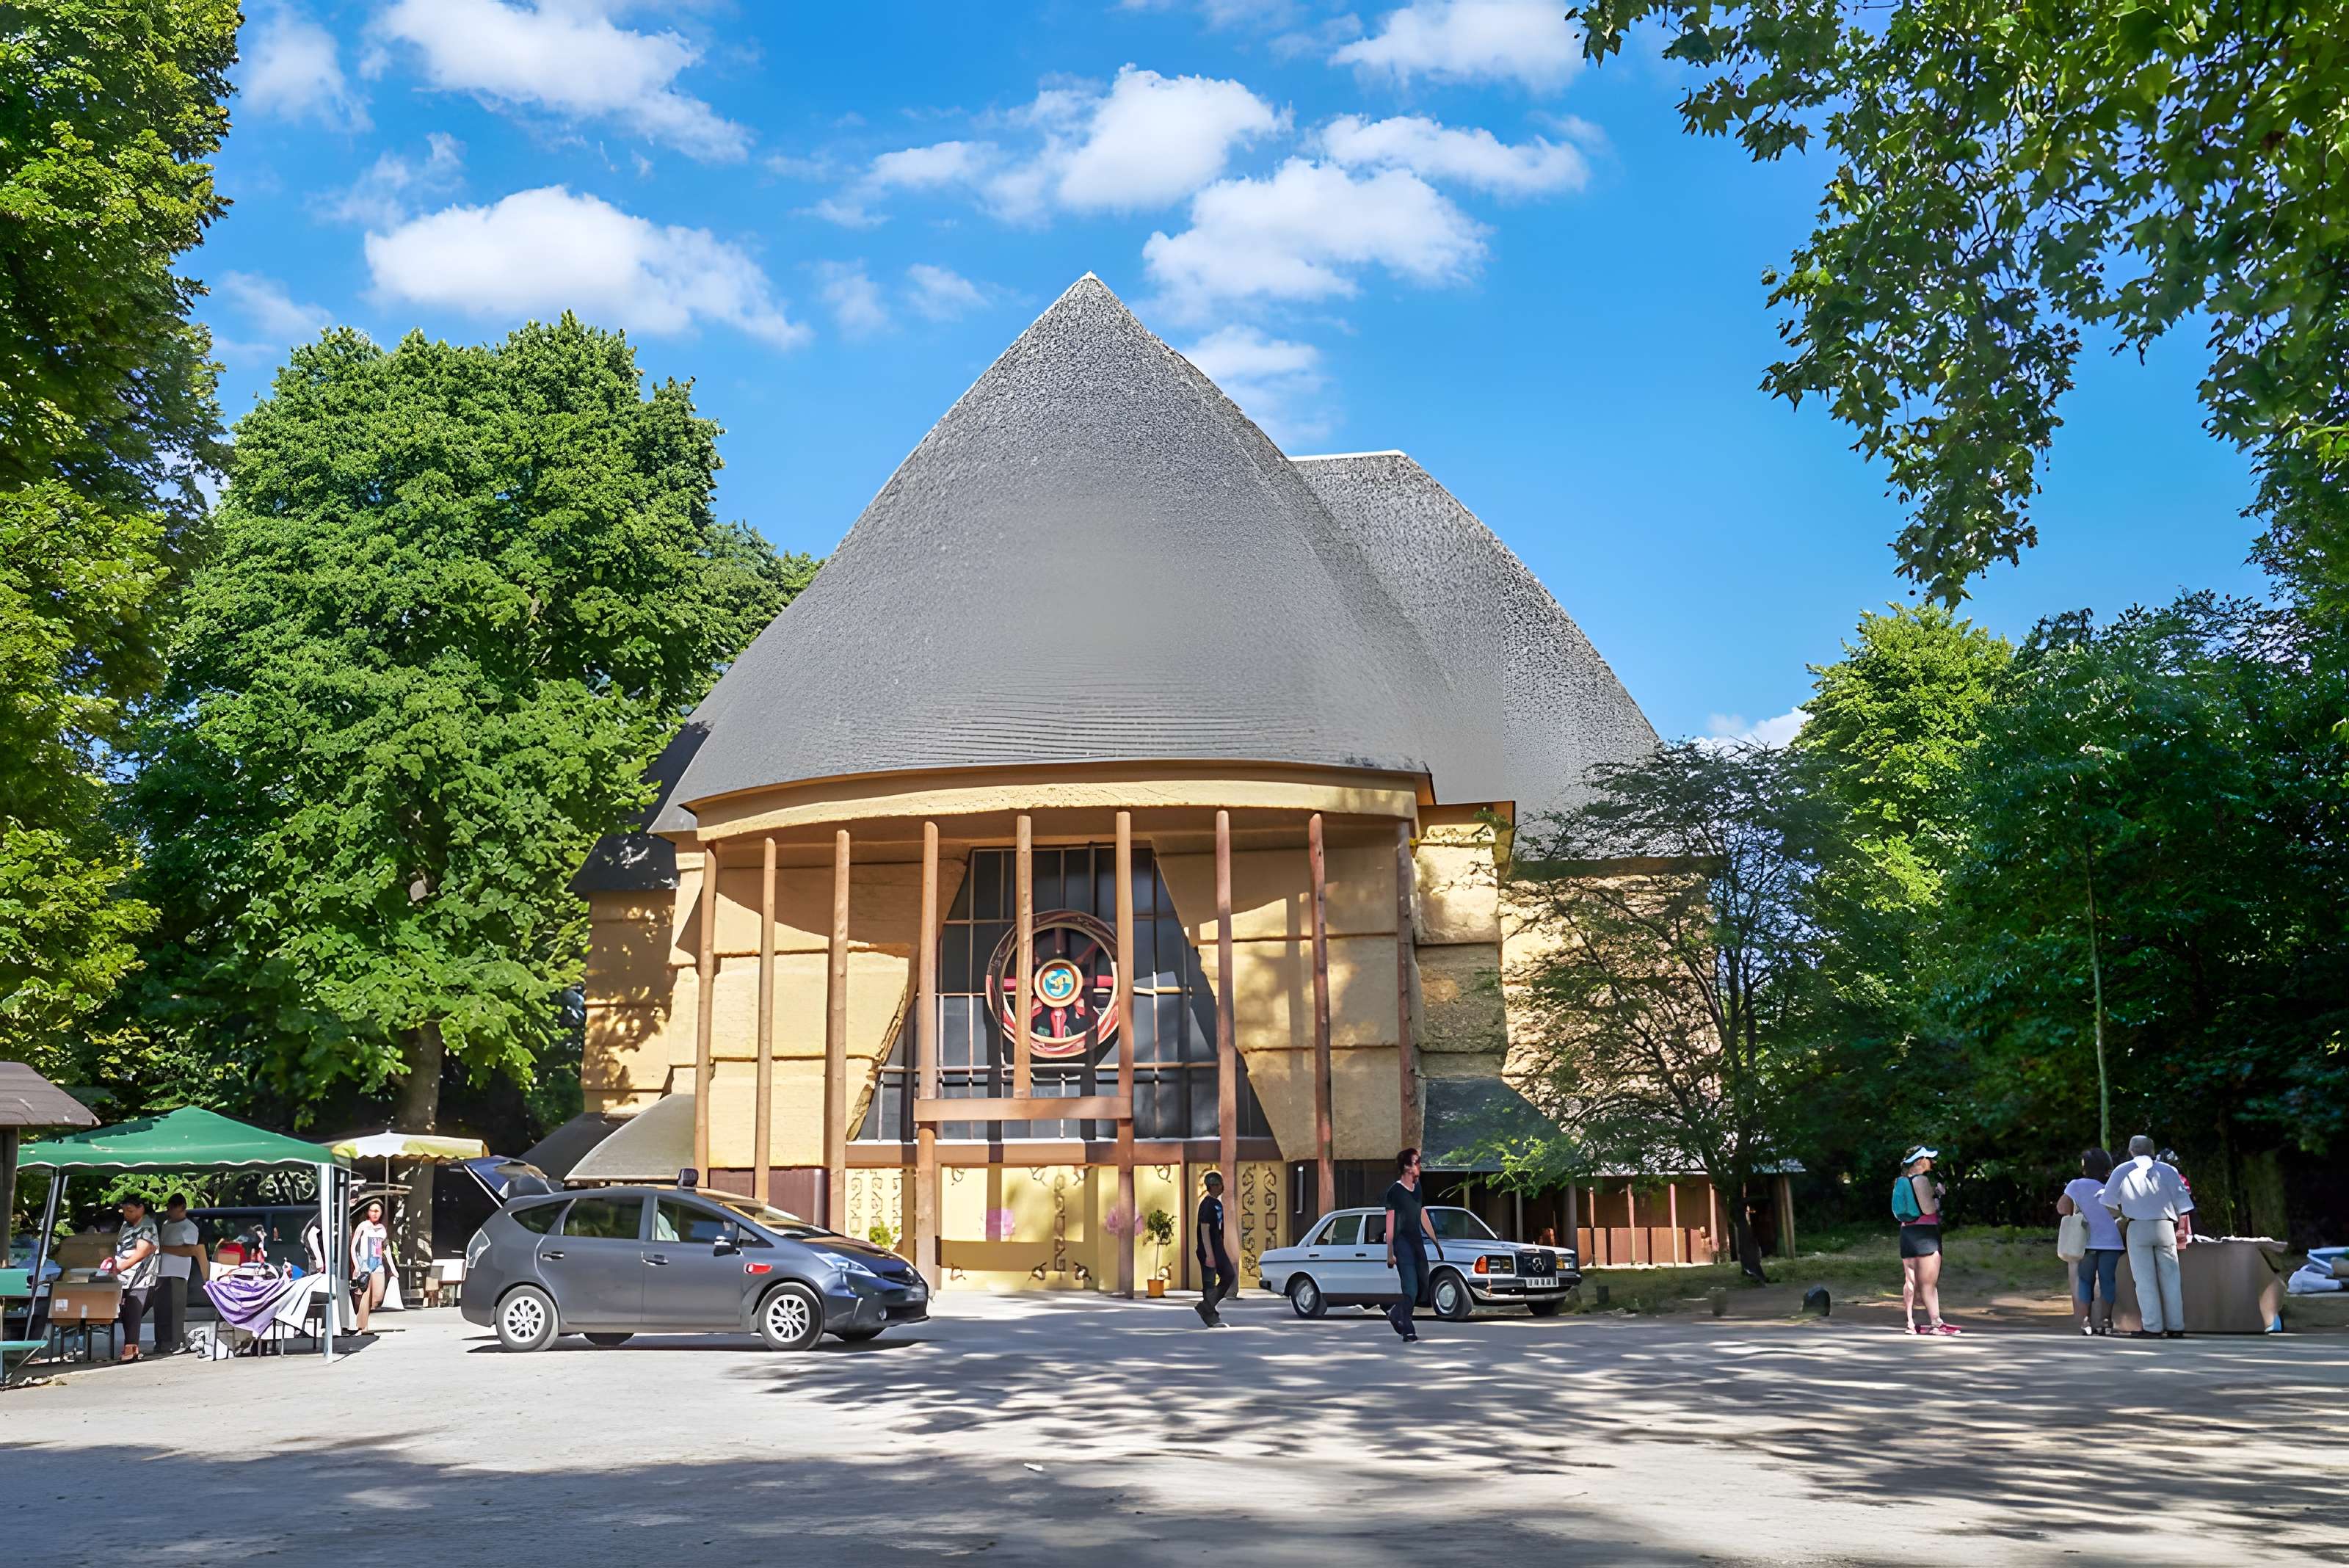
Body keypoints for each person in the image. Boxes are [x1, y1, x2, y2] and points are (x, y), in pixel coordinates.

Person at [2102, 1135, 2192, 1337]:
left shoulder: (2122, 1170)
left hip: (2137, 1226)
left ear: (2131, 1150)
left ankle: (2153, 1326)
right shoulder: (2169, 1171)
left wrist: (2122, 1213)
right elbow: (2184, 1205)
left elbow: (2109, 1204)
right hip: (2165, 1226)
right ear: (2153, 1150)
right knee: (2171, 1277)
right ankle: (2176, 1326)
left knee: (2144, 1280)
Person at [2058, 1150, 2125, 1335]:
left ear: (2085, 1168)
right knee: (2108, 1281)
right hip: (2112, 1242)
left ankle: (2086, 1322)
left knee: (2086, 1281)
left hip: (2086, 1242)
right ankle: (2107, 1322)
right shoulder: (2112, 1186)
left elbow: (2062, 1208)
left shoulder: (2075, 1185)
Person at [1894, 1147, 1958, 1336]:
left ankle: (1910, 1323)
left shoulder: (1901, 1181)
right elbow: (1929, 1210)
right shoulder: (1921, 1180)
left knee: (1910, 1280)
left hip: (1907, 1232)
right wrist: (1937, 1196)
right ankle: (1936, 1323)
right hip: (1926, 1234)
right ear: (1919, 1161)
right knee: (1929, 1283)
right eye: (1929, 1159)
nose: (1932, 1162)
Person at [1383, 1148, 1439, 1343]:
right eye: (1417, 1162)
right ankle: (1408, 1328)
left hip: (1417, 1242)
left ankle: (1395, 1311)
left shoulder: (1418, 1188)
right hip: (1401, 1243)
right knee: (1410, 1287)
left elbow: (1421, 1212)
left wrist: (1435, 1240)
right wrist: (1390, 1252)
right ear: (1407, 1167)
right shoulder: (1395, 1192)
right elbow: (1390, 1221)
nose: (1419, 1166)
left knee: (1424, 1283)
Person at [97, 1196, 161, 1362]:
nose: (126, 1214)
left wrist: (120, 1267)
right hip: (124, 1278)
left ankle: (130, 1348)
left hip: (141, 1277)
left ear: (141, 1209)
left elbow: (143, 1251)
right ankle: (131, 1346)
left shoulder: (147, 1226)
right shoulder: (127, 1225)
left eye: (130, 1211)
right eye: (124, 1210)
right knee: (126, 1312)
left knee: (133, 1312)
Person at [153, 1194, 205, 1354]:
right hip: (161, 1272)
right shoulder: (166, 1224)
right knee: (161, 1309)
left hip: (178, 1273)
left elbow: (190, 1250)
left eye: (173, 1207)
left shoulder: (189, 1227)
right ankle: (161, 1343)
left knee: (176, 1310)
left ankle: (176, 1343)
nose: (169, 1211)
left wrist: (164, 1249)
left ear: (182, 1208)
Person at [351, 1199, 391, 1332]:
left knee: (378, 1296)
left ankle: (365, 1314)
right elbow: (353, 1246)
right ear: (368, 1212)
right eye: (372, 1210)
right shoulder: (363, 1226)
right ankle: (363, 1325)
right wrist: (357, 1265)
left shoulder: (382, 1228)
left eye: (377, 1211)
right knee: (365, 1296)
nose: (375, 1213)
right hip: (365, 1265)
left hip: (378, 1264)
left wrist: (392, 1267)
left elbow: (385, 1248)